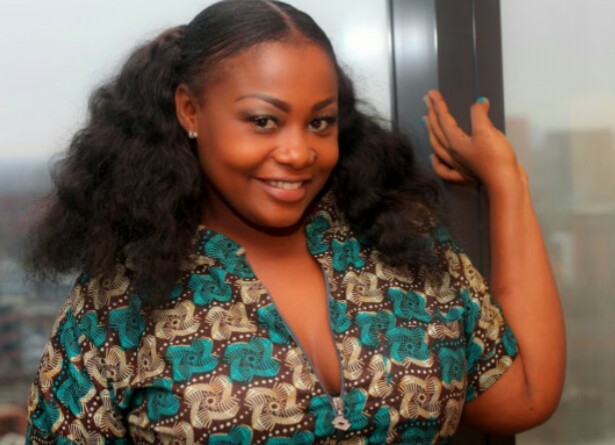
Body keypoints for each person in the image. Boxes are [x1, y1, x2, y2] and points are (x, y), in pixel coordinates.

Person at [25, 0, 565, 443]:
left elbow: (523, 398)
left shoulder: (402, 243)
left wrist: (508, 182)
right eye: (264, 121)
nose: (299, 152)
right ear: (190, 110)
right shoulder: (119, 302)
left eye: (320, 122)